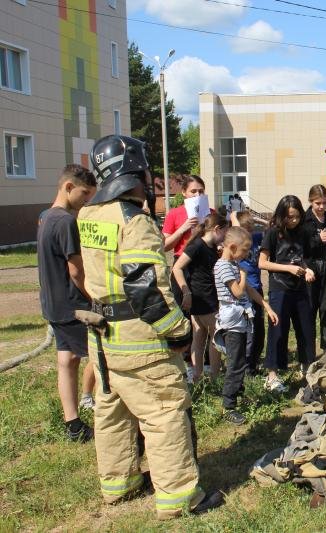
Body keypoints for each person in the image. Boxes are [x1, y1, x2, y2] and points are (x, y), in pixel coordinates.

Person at [79, 135, 223, 519]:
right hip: (139, 342)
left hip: (102, 339)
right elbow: (145, 288)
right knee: (164, 413)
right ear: (134, 174)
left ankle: (119, 483)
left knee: (111, 411)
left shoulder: (88, 216)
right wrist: (177, 332)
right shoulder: (134, 221)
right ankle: (179, 496)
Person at [37, 164, 98, 442]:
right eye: (84, 193)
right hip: (73, 305)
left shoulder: (45, 217)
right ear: (68, 187)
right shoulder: (65, 221)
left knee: (67, 361)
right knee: (102, 358)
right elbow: (76, 270)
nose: (86, 199)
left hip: (52, 302)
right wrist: (93, 298)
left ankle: (73, 424)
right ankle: (109, 416)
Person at [214, 227, 278, 425]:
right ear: (232, 247)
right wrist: (243, 272)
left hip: (240, 320)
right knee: (235, 363)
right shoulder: (224, 266)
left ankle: (238, 394)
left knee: (241, 359)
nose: (247, 255)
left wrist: (266, 306)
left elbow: (249, 290)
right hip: (231, 322)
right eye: (244, 250)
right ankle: (228, 406)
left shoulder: (232, 263)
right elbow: (238, 292)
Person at [258, 195, 316, 393]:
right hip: (279, 288)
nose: (293, 221)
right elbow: (262, 263)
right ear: (282, 215)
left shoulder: (304, 232)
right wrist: (287, 268)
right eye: (290, 217)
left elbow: (303, 259)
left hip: (300, 288)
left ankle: (307, 367)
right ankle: (272, 375)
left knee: (306, 329)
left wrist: (307, 269)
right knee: (278, 331)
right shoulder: (272, 233)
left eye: (297, 217)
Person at [172, 213, 228, 380]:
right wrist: (186, 291)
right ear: (217, 229)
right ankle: (214, 377)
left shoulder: (210, 247)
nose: (226, 236)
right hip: (202, 297)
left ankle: (197, 376)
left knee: (200, 336)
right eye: (225, 232)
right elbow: (177, 268)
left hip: (206, 297)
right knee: (215, 336)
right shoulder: (197, 245)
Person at [231, 210, 267, 375]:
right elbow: (236, 232)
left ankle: (254, 363)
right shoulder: (237, 245)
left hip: (257, 288)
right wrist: (233, 217)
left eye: (251, 230)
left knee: (259, 329)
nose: (249, 234)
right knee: (249, 331)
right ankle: (246, 367)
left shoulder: (257, 238)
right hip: (244, 290)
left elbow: (272, 227)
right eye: (246, 230)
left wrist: (259, 220)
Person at [303, 184, 326, 353]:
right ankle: (308, 350)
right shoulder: (303, 220)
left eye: (324, 202)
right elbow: (298, 246)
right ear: (311, 201)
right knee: (309, 309)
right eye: (318, 203)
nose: (322, 207)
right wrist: (318, 238)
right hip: (310, 267)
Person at [162, 175, 210, 260]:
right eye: (193, 191)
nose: (197, 194)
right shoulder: (174, 213)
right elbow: (165, 246)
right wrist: (182, 229)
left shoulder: (211, 213)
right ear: (184, 192)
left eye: (201, 191)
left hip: (207, 260)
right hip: (182, 261)